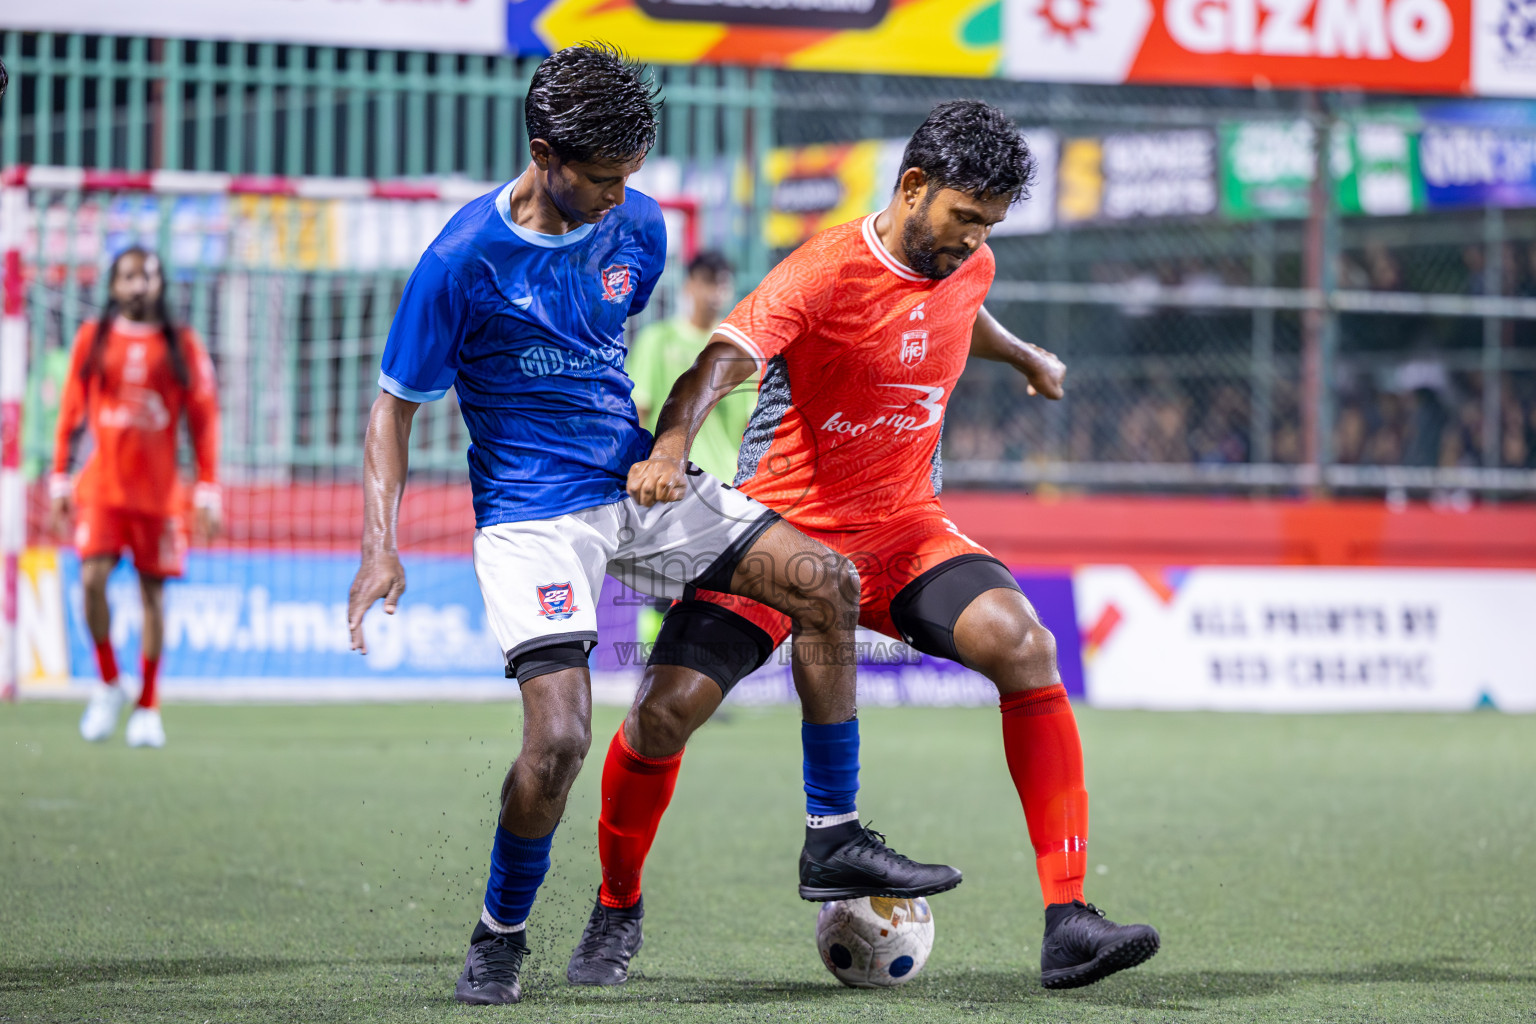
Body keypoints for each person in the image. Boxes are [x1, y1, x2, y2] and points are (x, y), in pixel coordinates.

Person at [344, 44, 958, 1008]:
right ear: (544, 152)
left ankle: (832, 833)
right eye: (599, 179)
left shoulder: (640, 225)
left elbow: (609, 351)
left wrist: (665, 448)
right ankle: (502, 932)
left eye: (631, 177)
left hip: (633, 484)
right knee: (558, 744)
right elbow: (393, 408)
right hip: (530, 519)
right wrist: (379, 543)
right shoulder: (459, 262)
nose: (618, 197)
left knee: (825, 584)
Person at [567, 100, 1160, 991]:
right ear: (912, 187)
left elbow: (967, 312)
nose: (973, 243)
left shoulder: (969, 261)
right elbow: (723, 358)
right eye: (964, 219)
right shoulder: (823, 272)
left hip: (905, 529)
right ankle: (615, 911)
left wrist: (1025, 355)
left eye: (988, 227)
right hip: (781, 534)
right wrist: (671, 443)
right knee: (662, 711)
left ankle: (1068, 918)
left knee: (1027, 646)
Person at [51, 246, 222, 749]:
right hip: (103, 489)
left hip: (160, 496)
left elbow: (204, 420)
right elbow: (71, 410)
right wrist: (59, 479)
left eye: (148, 275)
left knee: (153, 596)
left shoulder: (181, 344)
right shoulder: (93, 338)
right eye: (129, 276)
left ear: (161, 284)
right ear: (112, 286)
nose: (139, 284)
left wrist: (207, 489)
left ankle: (147, 705)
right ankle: (108, 682)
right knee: (91, 581)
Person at [626, 250, 746, 483]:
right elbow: (640, 410)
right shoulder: (657, 339)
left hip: (727, 480)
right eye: (708, 282)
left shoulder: (737, 349)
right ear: (689, 284)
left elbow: (747, 421)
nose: (716, 293)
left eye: (722, 284)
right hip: (671, 477)